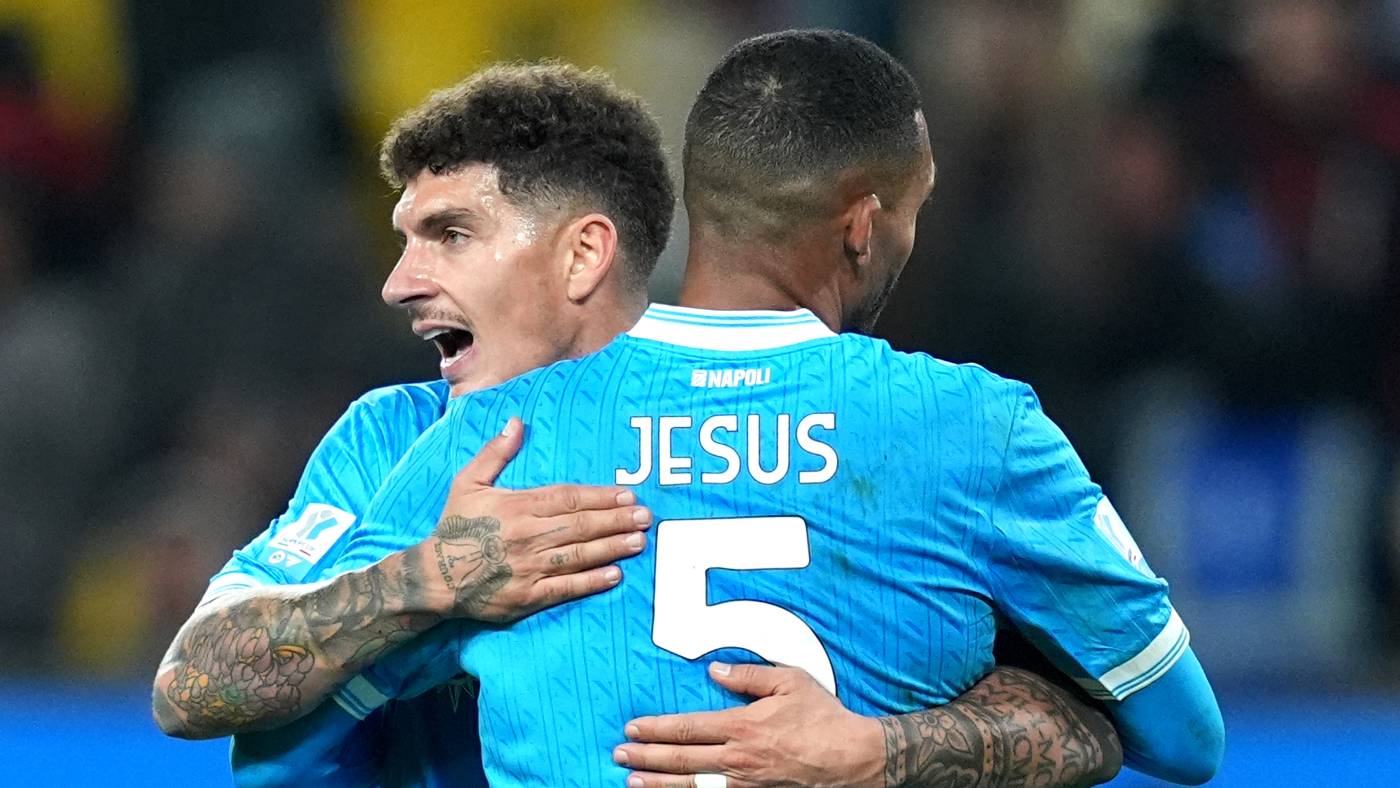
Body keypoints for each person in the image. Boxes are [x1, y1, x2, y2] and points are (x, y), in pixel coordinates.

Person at [153, 62, 1123, 786]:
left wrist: (881, 749)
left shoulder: (836, 439)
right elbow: (194, 685)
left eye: (450, 234)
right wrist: (428, 578)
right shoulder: (391, 438)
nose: (399, 283)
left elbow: (1071, 706)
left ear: (583, 255)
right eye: (405, 239)